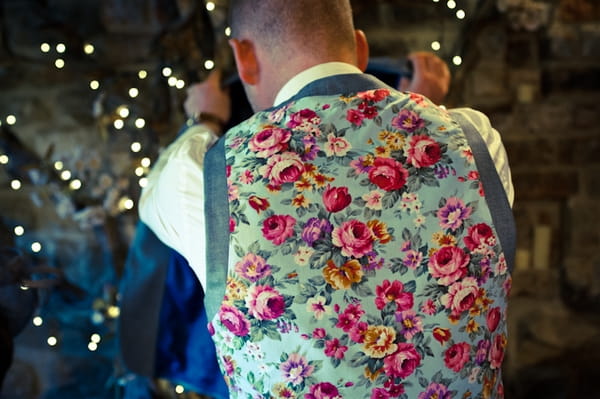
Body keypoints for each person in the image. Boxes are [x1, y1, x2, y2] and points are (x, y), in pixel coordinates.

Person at [141, 1, 516, 397]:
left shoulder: (204, 175)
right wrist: (426, 108)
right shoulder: (478, 142)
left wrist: (203, 120)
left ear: (244, 58)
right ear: (360, 50)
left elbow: (156, 194)